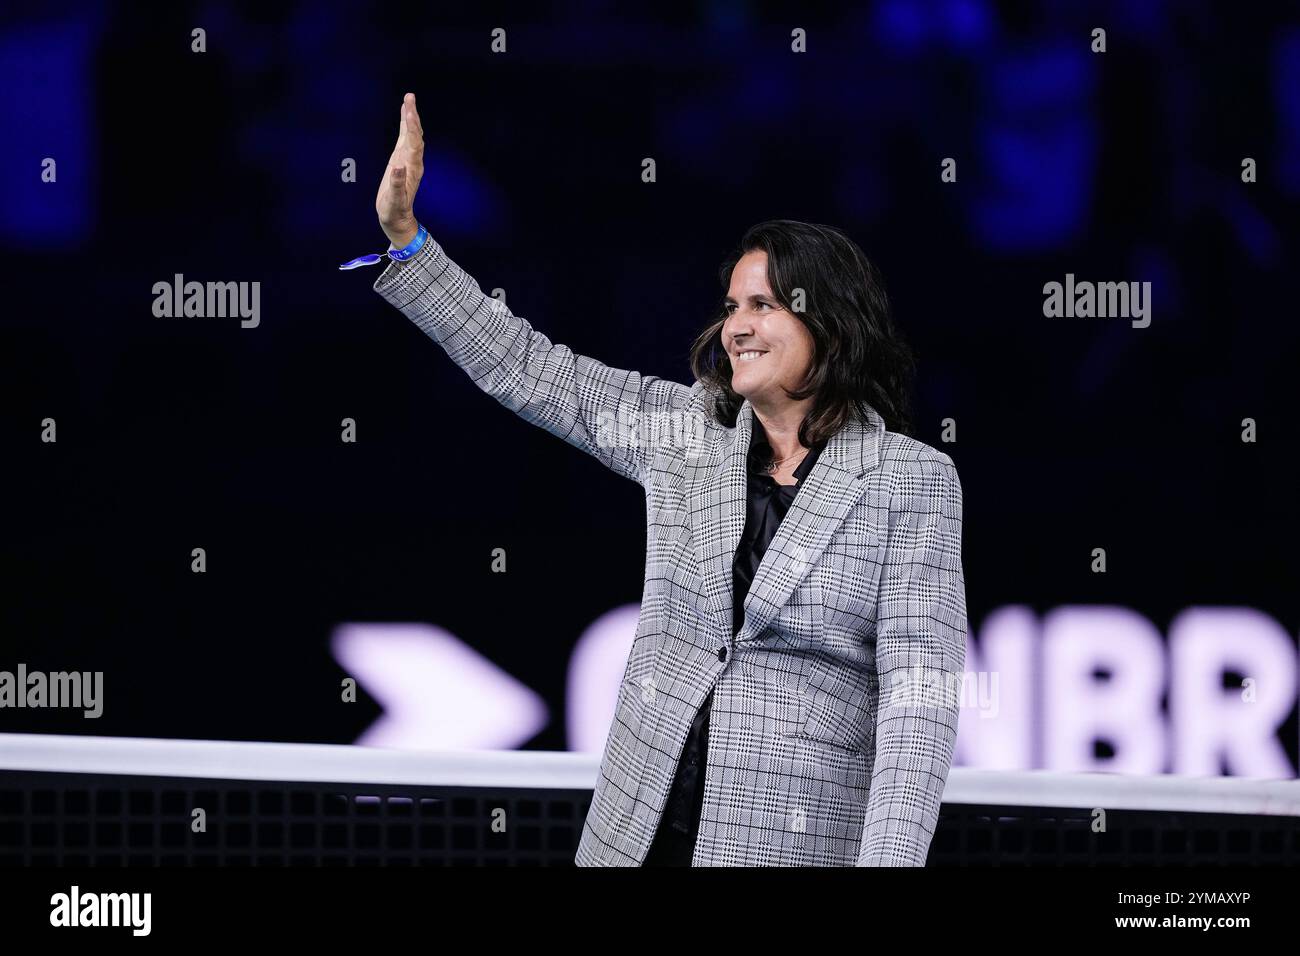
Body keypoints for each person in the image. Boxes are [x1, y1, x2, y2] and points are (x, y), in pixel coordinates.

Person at [367, 93, 967, 866]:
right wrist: (408, 241)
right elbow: (529, 367)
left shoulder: (912, 482)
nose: (736, 326)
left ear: (835, 325)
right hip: (636, 841)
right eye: (731, 307)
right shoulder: (691, 432)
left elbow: (920, 707)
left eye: (764, 305)